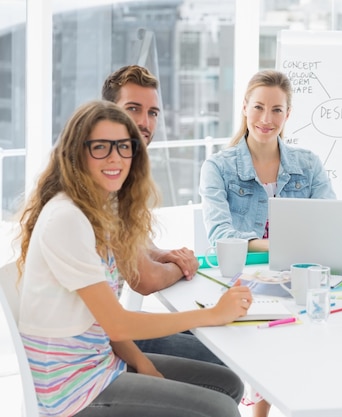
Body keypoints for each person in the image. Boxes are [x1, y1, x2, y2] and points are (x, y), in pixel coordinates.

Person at [16, 100, 252, 416]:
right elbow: (117, 322)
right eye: (100, 147)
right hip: (73, 391)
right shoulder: (68, 218)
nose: (115, 159)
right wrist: (213, 314)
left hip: (99, 364)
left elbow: (102, 322)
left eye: (124, 148)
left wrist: (141, 362)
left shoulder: (99, 211)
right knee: (220, 408)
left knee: (227, 383)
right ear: (76, 153)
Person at [102, 65, 222, 364]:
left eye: (153, 112)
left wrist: (167, 254)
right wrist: (184, 266)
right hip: (98, 343)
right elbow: (145, 279)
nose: (144, 122)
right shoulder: (106, 178)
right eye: (133, 109)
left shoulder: (125, 170)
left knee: (218, 335)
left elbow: (134, 244)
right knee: (219, 357)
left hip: (108, 325)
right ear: (106, 113)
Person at [199, 69, 336, 253]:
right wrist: (279, 246)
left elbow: (329, 226)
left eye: (277, 110)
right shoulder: (217, 168)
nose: (266, 119)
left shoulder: (310, 165)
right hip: (243, 273)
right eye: (258, 107)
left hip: (296, 270)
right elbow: (220, 236)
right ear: (245, 107)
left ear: (287, 114)